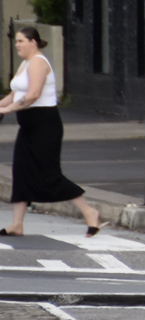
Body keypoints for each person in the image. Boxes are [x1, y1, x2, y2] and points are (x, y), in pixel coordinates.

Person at [0, 27, 102, 236]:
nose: (17, 44)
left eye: (21, 41)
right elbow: (15, 93)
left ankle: (90, 212)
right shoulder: (25, 63)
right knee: (21, 172)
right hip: (28, 127)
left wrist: (8, 110)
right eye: (16, 41)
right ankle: (17, 225)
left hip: (44, 126)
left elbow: (33, 94)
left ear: (33, 42)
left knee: (49, 174)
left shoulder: (38, 62)